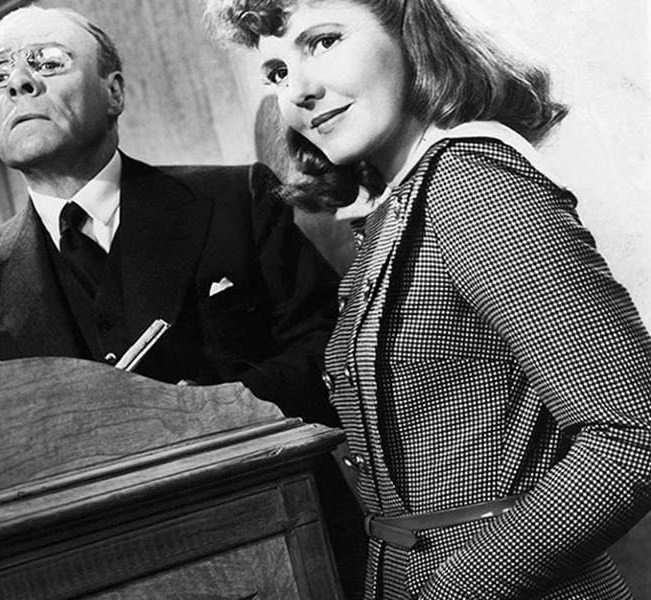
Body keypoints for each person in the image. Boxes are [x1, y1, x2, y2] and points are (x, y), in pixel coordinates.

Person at [0, 5, 366, 593]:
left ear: (114, 92)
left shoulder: (237, 196)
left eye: (47, 63)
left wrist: (215, 410)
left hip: (278, 549)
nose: (19, 82)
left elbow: (334, 347)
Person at [206, 0, 651, 598]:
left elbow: (632, 436)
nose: (300, 91)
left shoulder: (471, 182)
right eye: (277, 72)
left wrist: (457, 587)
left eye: (324, 41)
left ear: (410, 33)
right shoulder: (402, 201)